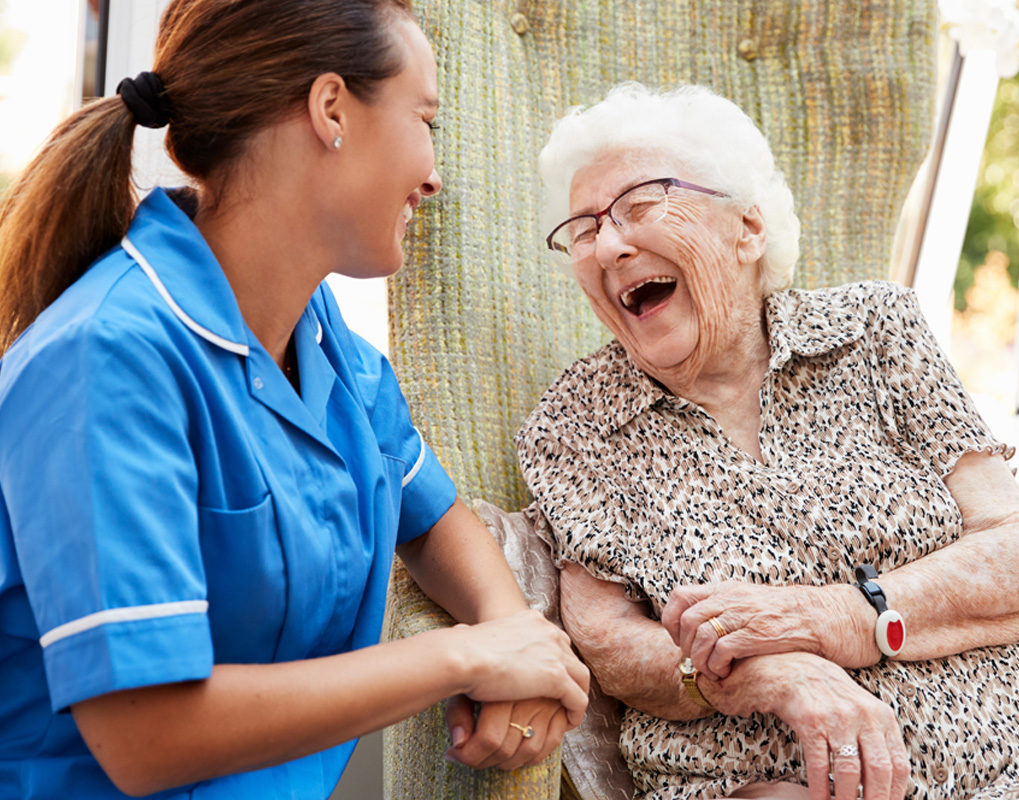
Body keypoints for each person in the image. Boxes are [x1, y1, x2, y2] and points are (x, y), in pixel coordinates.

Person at [0, 1, 588, 797]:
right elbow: (146, 736)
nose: (434, 173)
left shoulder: (322, 342)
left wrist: (510, 626)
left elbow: (433, 514)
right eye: (425, 120)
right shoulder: (105, 358)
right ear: (332, 110)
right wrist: (464, 656)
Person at [516, 83, 1019, 800]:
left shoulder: (875, 330)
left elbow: (1016, 557)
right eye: (585, 229)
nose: (611, 244)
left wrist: (836, 619)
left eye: (638, 206)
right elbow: (611, 646)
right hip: (765, 772)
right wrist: (770, 674)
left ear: (747, 228)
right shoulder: (576, 423)